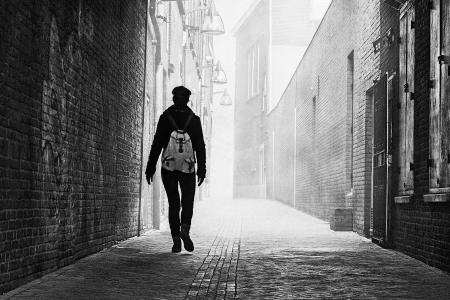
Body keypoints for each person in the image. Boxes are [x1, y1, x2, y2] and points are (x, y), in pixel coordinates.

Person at [145, 86, 206, 253]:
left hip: (169, 166)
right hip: (188, 167)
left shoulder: (165, 118)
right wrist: (202, 169)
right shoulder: (194, 119)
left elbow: (157, 143)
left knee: (174, 203)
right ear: (187, 100)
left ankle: (176, 240)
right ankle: (184, 230)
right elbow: (200, 146)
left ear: (173, 99)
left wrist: (150, 167)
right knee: (187, 202)